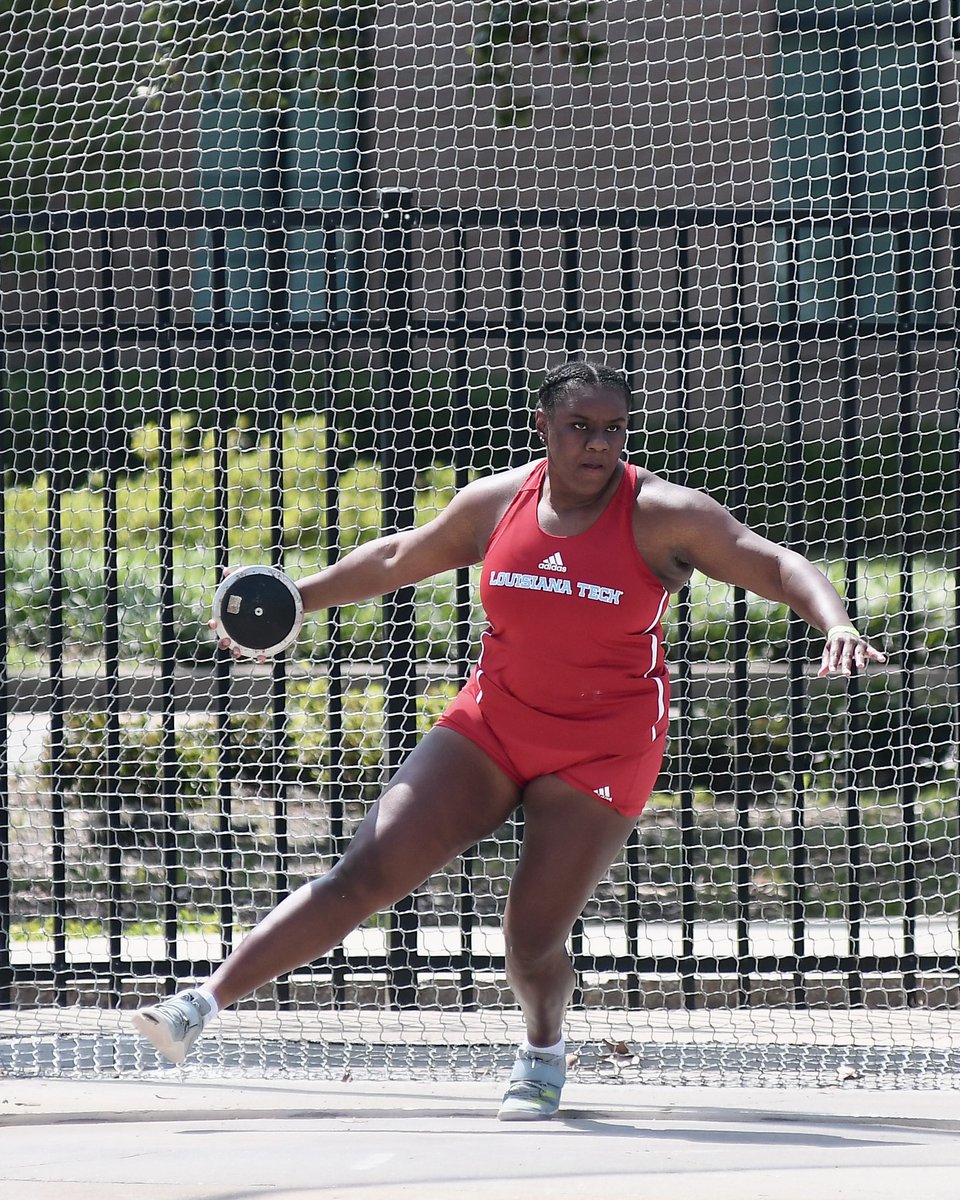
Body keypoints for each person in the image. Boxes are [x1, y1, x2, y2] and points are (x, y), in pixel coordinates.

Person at [131, 359, 885, 1119]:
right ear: (544, 428)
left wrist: (838, 623)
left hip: (603, 745)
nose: (598, 445)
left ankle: (542, 1049)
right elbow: (400, 555)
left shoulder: (664, 514)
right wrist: (294, 600)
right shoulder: (498, 503)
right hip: (494, 722)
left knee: (528, 939)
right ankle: (201, 1003)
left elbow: (778, 563)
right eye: (579, 427)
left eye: (613, 429)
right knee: (363, 873)